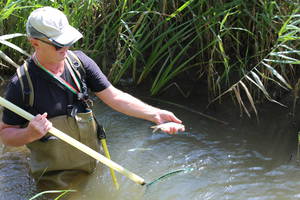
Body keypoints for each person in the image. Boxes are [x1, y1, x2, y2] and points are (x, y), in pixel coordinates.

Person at [0, 7, 185, 189]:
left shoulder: (79, 62)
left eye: (68, 41)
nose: (65, 48)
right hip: (54, 179)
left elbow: (114, 97)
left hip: (93, 165)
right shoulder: (21, 85)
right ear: (34, 43)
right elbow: (5, 134)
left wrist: (155, 114)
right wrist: (28, 134)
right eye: (58, 44)